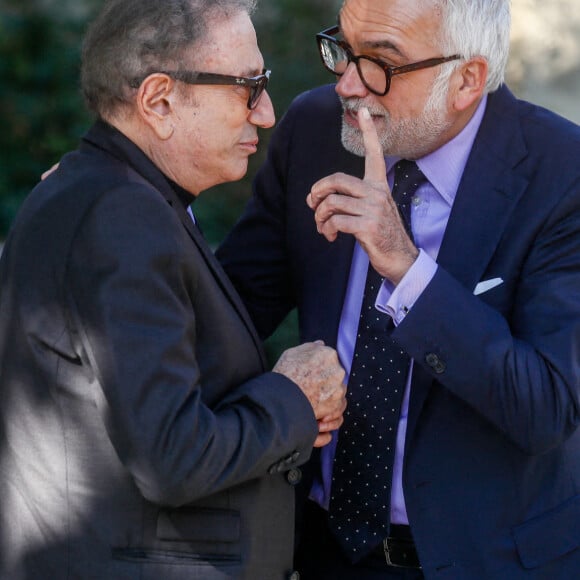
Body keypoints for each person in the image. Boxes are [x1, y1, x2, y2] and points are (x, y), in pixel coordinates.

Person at [217, 0, 580, 577]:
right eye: (344, 49)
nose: (347, 84)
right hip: (321, 547)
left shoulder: (562, 171)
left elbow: (545, 406)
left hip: (487, 560)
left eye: (380, 63)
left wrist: (407, 268)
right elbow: (224, 307)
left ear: (467, 79)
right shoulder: (315, 130)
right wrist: (126, 195)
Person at [0, 0, 348, 578]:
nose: (265, 114)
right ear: (159, 100)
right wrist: (296, 400)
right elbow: (174, 458)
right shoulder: (118, 215)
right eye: (247, 87)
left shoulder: (109, 195)